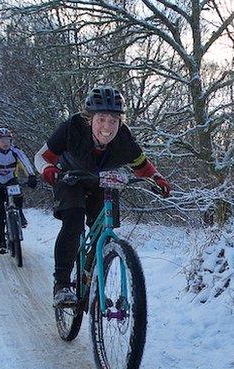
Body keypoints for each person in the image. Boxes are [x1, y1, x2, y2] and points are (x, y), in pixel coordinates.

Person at [34, 85, 171, 306]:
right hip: (70, 179)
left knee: (105, 231)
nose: (107, 127)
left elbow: (143, 166)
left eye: (114, 120)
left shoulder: (124, 139)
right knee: (74, 222)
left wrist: (158, 179)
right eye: (102, 119)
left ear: (120, 122)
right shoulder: (72, 128)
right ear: (90, 118)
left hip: (102, 183)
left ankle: (91, 279)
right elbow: (41, 156)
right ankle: (61, 285)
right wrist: (49, 170)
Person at [0, 127, 37, 254]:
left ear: (11, 140)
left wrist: (31, 176)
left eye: (7, 140)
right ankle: (2, 242)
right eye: (2, 140)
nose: (5, 143)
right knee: (0, 212)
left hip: (11, 181)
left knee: (18, 196)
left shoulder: (15, 151)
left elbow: (25, 162)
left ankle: (20, 214)